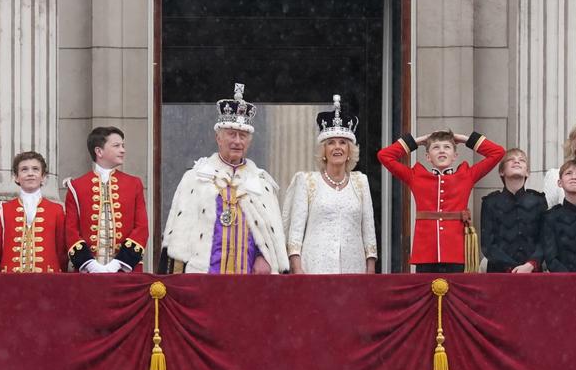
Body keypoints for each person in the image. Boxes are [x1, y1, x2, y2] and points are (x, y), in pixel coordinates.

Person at [161, 84, 287, 274]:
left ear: (249, 141)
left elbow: (271, 237)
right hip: (203, 278)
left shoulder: (262, 184)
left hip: (250, 282)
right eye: (231, 134)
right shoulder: (194, 179)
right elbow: (178, 235)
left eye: (243, 136)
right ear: (218, 138)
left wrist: (264, 257)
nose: (237, 141)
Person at [378, 128, 505, 273]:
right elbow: (384, 156)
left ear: (455, 155)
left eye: (447, 147)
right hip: (425, 253)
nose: (442, 151)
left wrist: (464, 139)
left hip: (456, 252)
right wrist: (418, 141)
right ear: (428, 157)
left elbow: (497, 152)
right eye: (436, 147)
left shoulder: (466, 175)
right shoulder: (416, 176)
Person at [283, 95, 377, 274]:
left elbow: (369, 232)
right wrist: (297, 269)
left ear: (350, 150)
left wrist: (370, 270)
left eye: (343, 142)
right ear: (323, 151)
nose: (337, 147)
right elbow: (295, 234)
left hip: (353, 269)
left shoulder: (360, 182)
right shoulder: (307, 181)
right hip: (314, 269)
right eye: (331, 143)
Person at [64, 126, 149, 274]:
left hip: (126, 272)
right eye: (116, 146)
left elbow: (141, 227)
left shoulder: (134, 184)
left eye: (123, 146)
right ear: (99, 151)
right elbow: (71, 230)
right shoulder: (76, 186)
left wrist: (119, 263)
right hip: (87, 274)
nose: (123, 150)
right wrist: (89, 264)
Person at [0, 151, 68, 272]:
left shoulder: (57, 210)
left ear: (43, 177)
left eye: (35, 169)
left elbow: (62, 251)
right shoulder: (3, 210)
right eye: (24, 169)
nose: (30, 173)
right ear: (16, 177)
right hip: (9, 280)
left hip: (48, 280)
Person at [479, 148, 548, 273]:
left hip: (532, 271)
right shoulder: (490, 202)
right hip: (499, 273)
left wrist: (531, 264)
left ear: (527, 172)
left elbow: (545, 239)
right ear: (501, 171)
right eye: (511, 160)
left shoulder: (538, 201)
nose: (517, 162)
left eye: (521, 160)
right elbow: (487, 244)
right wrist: (510, 266)